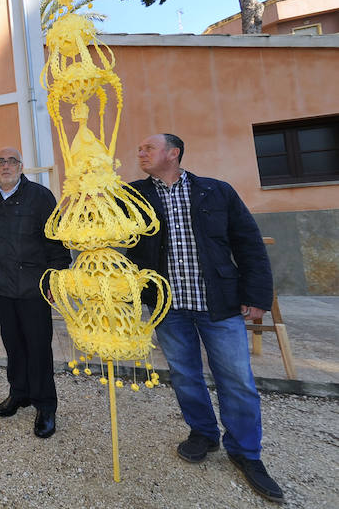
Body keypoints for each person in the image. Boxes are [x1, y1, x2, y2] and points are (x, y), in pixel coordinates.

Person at [126, 133, 284, 503]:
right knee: (184, 375)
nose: (141, 152)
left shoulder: (216, 191)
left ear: (173, 153)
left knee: (237, 379)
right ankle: (202, 434)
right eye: (141, 148)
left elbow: (248, 243)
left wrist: (256, 296)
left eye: (148, 147)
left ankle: (247, 453)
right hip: (167, 306)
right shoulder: (132, 195)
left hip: (219, 303)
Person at [0, 147, 72, 439]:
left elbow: (56, 241)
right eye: (1, 161)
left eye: (12, 161)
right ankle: (19, 393)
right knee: (13, 345)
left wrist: (54, 278)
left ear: (21, 166)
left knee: (38, 347)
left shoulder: (40, 196)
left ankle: (45, 406)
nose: (6, 165)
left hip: (33, 286)